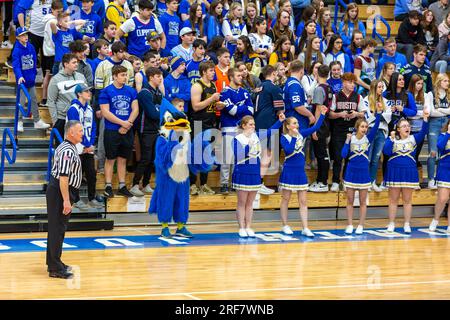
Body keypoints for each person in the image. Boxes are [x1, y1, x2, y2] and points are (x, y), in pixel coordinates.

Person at [233, 113, 284, 238]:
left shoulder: (256, 136)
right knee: (242, 202)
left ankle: (249, 226)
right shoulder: (237, 139)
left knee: (250, 203)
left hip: (254, 172)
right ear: (244, 126)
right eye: (250, 124)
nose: (253, 126)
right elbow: (238, 155)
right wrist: (248, 145)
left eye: (254, 124)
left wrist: (280, 121)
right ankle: (241, 227)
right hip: (243, 171)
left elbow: (270, 131)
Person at [279, 107, 326, 237]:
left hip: (300, 172)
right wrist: (294, 137)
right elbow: (288, 150)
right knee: (286, 199)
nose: (297, 125)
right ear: (288, 126)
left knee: (303, 201)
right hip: (289, 171)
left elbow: (315, 128)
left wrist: (322, 114)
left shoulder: (301, 134)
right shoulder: (284, 138)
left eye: (297, 123)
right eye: (294, 123)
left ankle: (305, 227)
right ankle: (285, 225)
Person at [46, 120, 83, 279]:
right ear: (71, 133)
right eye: (80, 131)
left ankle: (55, 262)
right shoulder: (67, 150)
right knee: (57, 229)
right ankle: (55, 268)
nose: (82, 133)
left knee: (58, 229)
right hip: (60, 192)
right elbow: (63, 177)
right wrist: (66, 200)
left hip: (62, 191)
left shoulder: (69, 147)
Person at [383, 111, 430, 233]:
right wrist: (391, 139)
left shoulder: (413, 139)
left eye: (408, 126)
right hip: (394, 171)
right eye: (404, 126)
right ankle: (391, 223)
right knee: (393, 200)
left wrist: (425, 119)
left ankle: (407, 224)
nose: (407, 127)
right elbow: (387, 152)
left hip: (409, 171)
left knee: (407, 200)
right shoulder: (392, 140)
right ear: (398, 129)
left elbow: (424, 132)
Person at [99, 65, 139, 198]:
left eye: (126, 75)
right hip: (112, 130)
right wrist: (123, 123)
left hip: (127, 130)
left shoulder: (131, 91)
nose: (125, 77)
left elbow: (135, 109)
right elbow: (105, 112)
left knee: (123, 159)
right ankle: (108, 185)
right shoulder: (106, 91)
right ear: (114, 76)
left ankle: (122, 185)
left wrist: (128, 125)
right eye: (122, 75)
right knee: (110, 159)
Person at [342, 106, 382, 235]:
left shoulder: (368, 139)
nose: (364, 129)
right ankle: (349, 224)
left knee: (363, 202)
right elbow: (343, 155)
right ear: (357, 127)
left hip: (364, 174)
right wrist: (347, 141)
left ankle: (360, 225)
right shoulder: (351, 138)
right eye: (362, 127)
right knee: (350, 201)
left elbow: (376, 127)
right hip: (351, 173)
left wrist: (379, 113)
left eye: (366, 127)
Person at [66, 84, 103, 209]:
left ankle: (92, 198)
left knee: (91, 173)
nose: (89, 93)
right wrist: (86, 144)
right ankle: (75, 199)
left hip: (88, 147)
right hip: (76, 146)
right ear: (79, 94)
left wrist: (91, 143)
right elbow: (76, 130)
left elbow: (93, 127)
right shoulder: (73, 109)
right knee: (76, 174)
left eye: (89, 91)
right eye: (86, 91)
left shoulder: (90, 109)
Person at [189, 61, 223, 195]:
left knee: (207, 155)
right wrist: (212, 99)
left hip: (210, 123)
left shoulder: (213, 85)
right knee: (196, 155)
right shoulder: (197, 86)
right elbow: (195, 106)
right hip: (198, 123)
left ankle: (204, 184)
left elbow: (211, 106)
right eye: (211, 71)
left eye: (213, 71)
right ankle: (192, 184)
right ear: (204, 72)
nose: (213, 73)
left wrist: (218, 105)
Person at [219, 67, 254, 194]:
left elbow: (251, 111)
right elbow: (232, 111)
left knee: (238, 158)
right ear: (231, 77)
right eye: (238, 75)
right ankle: (224, 184)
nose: (241, 77)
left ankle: (235, 182)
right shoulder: (225, 92)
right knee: (227, 158)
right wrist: (243, 107)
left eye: (241, 75)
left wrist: (239, 107)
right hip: (228, 127)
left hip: (242, 129)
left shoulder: (244, 92)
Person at [328, 72, 366, 192]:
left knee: (349, 157)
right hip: (338, 130)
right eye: (350, 82)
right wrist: (340, 114)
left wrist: (356, 114)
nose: (352, 85)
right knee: (338, 157)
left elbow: (363, 113)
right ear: (343, 82)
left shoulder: (358, 96)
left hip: (352, 131)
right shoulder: (336, 96)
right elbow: (330, 114)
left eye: (354, 82)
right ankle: (335, 181)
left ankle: (345, 180)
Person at [130, 67, 164, 197]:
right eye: (157, 76)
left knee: (152, 158)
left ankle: (145, 184)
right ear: (150, 77)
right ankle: (134, 184)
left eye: (161, 76)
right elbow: (152, 113)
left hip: (156, 129)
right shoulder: (145, 92)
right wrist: (160, 112)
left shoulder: (158, 92)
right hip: (146, 129)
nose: (160, 78)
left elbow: (161, 110)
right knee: (145, 158)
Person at [12, 27, 51, 132]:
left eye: (26, 34)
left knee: (33, 100)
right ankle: (19, 122)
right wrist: (20, 76)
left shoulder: (31, 47)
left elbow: (34, 61)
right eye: (23, 35)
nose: (26, 37)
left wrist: (33, 75)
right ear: (17, 37)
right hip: (22, 81)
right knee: (21, 101)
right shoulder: (16, 50)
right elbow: (16, 66)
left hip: (31, 80)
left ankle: (37, 121)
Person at [48, 53, 88, 140]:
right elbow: (51, 101)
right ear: (66, 64)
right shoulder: (55, 79)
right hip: (62, 118)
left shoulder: (81, 77)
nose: (76, 64)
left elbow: (86, 96)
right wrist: (55, 120)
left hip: (79, 117)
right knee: (62, 147)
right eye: (74, 62)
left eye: (77, 62)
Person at [364, 80, 392, 192]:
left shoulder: (386, 102)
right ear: (374, 88)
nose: (381, 89)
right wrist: (378, 113)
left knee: (376, 158)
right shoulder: (366, 100)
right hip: (369, 130)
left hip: (381, 131)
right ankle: (365, 182)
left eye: (382, 87)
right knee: (368, 157)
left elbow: (388, 116)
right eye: (379, 87)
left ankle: (372, 181)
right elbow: (368, 117)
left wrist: (376, 113)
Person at [308, 65, 332, 193]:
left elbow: (318, 109)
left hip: (320, 124)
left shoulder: (319, 89)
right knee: (322, 153)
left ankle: (323, 182)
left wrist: (315, 128)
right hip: (326, 122)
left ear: (317, 73)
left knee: (321, 154)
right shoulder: (329, 88)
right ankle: (319, 180)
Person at [428, 73, 450, 189]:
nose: (448, 83)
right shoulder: (431, 94)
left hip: (446, 123)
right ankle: (431, 179)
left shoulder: (449, 94)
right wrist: (446, 111)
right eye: (445, 81)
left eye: (448, 81)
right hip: (434, 124)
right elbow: (431, 112)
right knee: (433, 152)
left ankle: (439, 178)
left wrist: (440, 109)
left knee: (444, 152)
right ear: (439, 81)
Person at [42, 0, 64, 108]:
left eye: (61, 12)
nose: (59, 14)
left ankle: (45, 99)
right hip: (51, 53)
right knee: (49, 77)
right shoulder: (52, 22)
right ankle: (46, 99)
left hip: (48, 51)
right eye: (58, 12)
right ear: (52, 10)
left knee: (48, 75)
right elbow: (52, 40)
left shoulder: (51, 20)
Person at [429, 120, 450, 233]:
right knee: (442, 198)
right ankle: (435, 219)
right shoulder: (443, 135)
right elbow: (440, 146)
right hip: (445, 170)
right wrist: (448, 133)